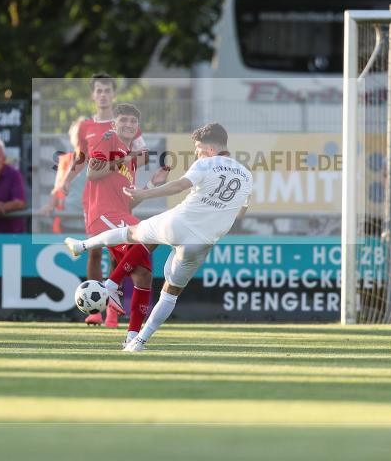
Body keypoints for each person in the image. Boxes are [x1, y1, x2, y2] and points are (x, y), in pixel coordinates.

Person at [65, 123, 252, 352]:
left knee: (133, 234)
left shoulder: (206, 163)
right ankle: (138, 342)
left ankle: (83, 247)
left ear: (212, 149)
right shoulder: (247, 175)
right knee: (171, 292)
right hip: (201, 243)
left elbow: (179, 186)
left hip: (178, 224)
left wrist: (145, 193)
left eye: (199, 148)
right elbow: (240, 213)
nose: (197, 153)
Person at [54, 74, 146, 327]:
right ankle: (95, 310)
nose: (103, 94)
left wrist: (124, 159)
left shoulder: (125, 125)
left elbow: (143, 154)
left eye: (107, 90)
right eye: (99, 90)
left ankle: (114, 311)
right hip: (93, 198)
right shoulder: (86, 126)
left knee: (120, 253)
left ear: (113, 95)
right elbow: (82, 158)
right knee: (94, 250)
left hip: (118, 196)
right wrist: (68, 179)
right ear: (93, 96)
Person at [84, 103, 169, 344]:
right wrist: (123, 159)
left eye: (133, 121)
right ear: (114, 124)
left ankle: (132, 337)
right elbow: (92, 172)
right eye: (124, 120)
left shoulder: (128, 157)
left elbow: (128, 206)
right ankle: (110, 284)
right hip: (103, 214)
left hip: (119, 214)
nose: (129, 125)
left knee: (143, 275)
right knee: (151, 234)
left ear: (137, 127)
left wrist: (153, 184)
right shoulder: (109, 139)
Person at [41, 117, 86, 234]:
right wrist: (50, 204)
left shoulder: (99, 159)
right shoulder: (66, 160)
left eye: (84, 132)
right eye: (77, 133)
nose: (80, 136)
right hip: (68, 221)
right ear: (71, 136)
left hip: (92, 222)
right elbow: (58, 188)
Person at [0, 139, 27, 233]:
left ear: (4, 158)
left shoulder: (14, 174)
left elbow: (20, 202)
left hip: (11, 236)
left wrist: (1, 207)